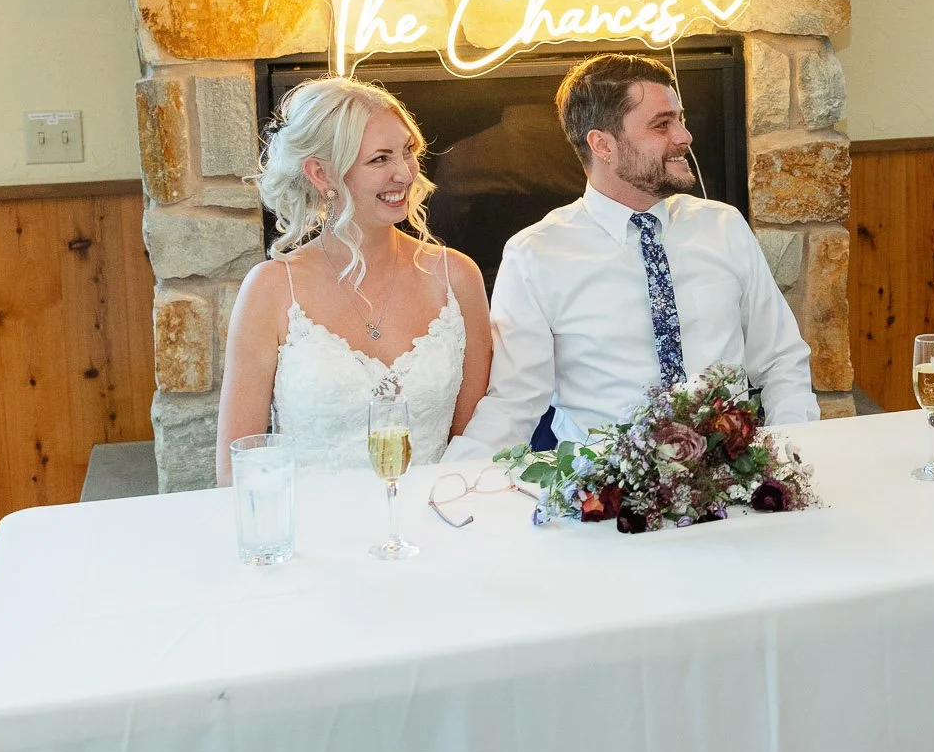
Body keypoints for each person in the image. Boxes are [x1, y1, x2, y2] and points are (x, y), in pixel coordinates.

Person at [445, 52, 818, 461]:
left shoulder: (724, 227)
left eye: (681, 118)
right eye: (662, 124)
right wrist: (446, 483)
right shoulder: (535, 255)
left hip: (732, 477)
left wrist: (789, 455)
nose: (684, 136)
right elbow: (514, 403)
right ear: (602, 144)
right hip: (604, 498)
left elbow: (782, 359)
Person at [217, 78, 494, 483]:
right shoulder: (272, 290)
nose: (404, 174)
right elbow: (237, 468)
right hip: (311, 532)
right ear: (321, 174)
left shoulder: (458, 278)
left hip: (432, 525)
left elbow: (472, 443)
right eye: (379, 159)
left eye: (407, 152)